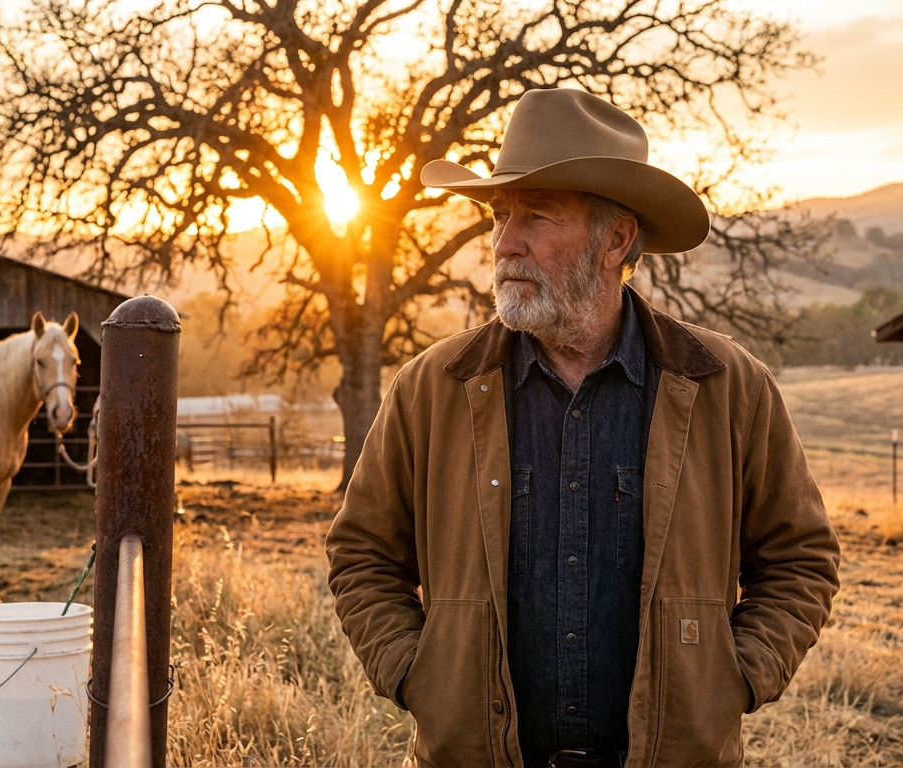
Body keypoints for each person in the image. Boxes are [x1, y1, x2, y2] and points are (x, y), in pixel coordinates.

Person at [325, 88, 840, 768]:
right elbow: (361, 554)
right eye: (500, 216)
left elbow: (800, 558)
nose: (505, 243)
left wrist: (733, 678)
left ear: (616, 240)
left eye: (536, 216)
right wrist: (419, 675)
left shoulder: (727, 387)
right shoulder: (431, 389)